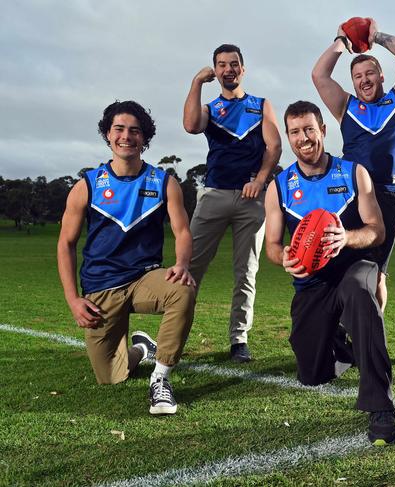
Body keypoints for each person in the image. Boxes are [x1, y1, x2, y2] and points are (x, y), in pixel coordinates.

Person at [265, 101, 395, 445]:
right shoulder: (279, 186)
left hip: (354, 266)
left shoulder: (353, 173)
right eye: (295, 132)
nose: (303, 138)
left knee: (359, 294)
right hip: (312, 282)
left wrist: (347, 237)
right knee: (313, 373)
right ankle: (341, 341)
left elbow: (377, 231)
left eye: (309, 129)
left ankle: (380, 406)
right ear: (289, 137)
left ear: (323, 130)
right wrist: (286, 259)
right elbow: (273, 246)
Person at [57, 100, 196, 415]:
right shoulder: (87, 186)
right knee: (111, 377)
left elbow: (183, 231)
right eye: (119, 129)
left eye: (135, 131)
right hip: (101, 285)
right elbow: (65, 243)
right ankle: (141, 349)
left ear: (144, 138)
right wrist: (73, 300)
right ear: (108, 134)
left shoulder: (163, 183)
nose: (126, 136)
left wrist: (182, 264)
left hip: (145, 278)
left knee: (182, 289)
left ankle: (160, 379)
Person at [183, 44, 282, 362]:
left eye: (234, 63)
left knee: (246, 272)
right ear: (216, 70)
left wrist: (261, 179)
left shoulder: (261, 105)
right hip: (213, 196)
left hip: (250, 200)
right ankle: (176, 335)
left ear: (243, 68)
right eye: (222, 64)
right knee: (189, 269)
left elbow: (274, 145)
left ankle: (239, 339)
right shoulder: (210, 109)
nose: (229, 69)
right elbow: (190, 125)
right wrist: (197, 83)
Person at [312, 18, 395, 311]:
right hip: (350, 196)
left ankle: (372, 336)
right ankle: (341, 335)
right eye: (357, 75)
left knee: (377, 275)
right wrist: (341, 42)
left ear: (382, 75)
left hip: (387, 197)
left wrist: (377, 36)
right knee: (337, 269)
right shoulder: (346, 106)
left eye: (370, 72)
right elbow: (319, 75)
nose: (364, 79)